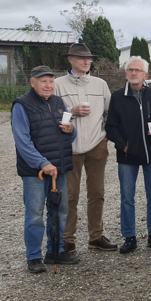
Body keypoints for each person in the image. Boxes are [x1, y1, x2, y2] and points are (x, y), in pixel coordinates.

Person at [12, 66, 79, 273]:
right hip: (36, 172)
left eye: (51, 81)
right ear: (32, 82)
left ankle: (55, 251)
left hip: (59, 168)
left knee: (59, 211)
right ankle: (33, 257)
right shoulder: (22, 105)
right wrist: (43, 163)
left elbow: (70, 135)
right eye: (43, 81)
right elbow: (22, 141)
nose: (48, 85)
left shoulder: (59, 103)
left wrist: (71, 130)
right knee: (35, 213)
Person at [54, 43, 116, 254]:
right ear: (70, 59)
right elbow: (51, 114)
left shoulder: (100, 84)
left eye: (89, 58)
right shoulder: (57, 85)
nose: (87, 61)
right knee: (69, 195)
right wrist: (71, 111)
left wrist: (105, 135)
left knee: (97, 192)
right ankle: (67, 239)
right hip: (69, 147)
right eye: (82, 58)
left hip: (97, 145)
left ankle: (96, 237)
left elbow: (110, 112)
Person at [105, 57, 151, 254]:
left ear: (145, 75)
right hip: (127, 155)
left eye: (137, 70)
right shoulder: (117, 97)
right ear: (126, 73)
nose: (133, 73)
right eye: (130, 70)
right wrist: (123, 146)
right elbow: (111, 127)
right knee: (127, 196)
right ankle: (129, 236)